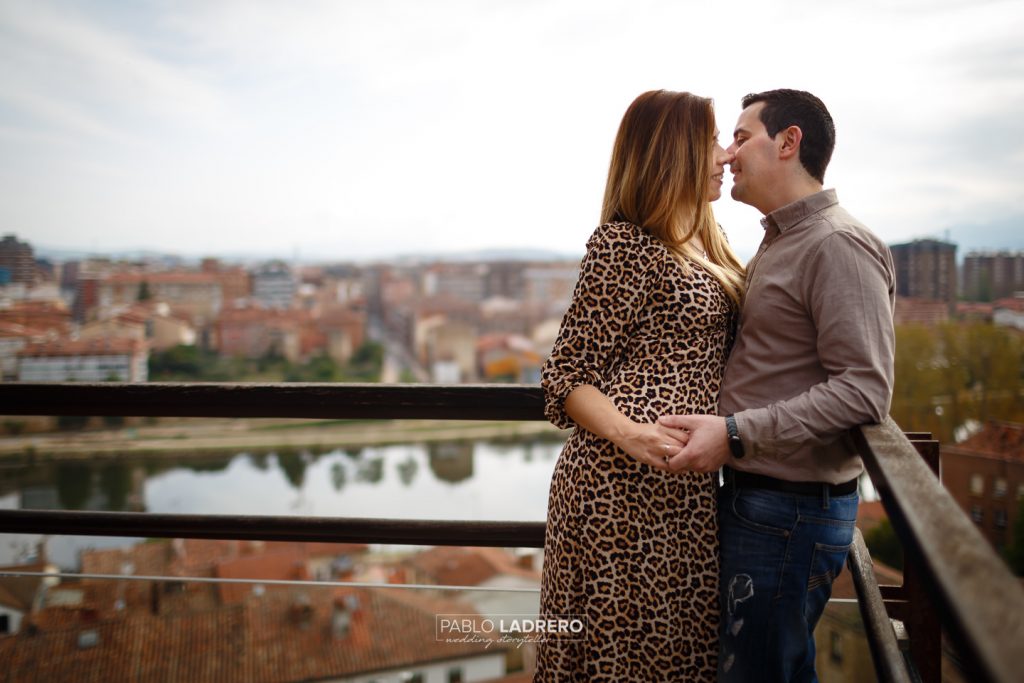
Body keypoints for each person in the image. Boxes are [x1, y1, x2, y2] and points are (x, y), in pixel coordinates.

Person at [660, 89, 896, 682]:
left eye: (741, 138)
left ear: (789, 142)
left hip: (788, 513)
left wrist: (736, 433)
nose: (728, 153)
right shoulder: (783, 238)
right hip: (763, 503)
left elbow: (864, 390)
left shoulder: (836, 243)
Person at [535, 90, 745, 682]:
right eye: (709, 142)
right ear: (673, 152)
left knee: (678, 653)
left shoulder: (711, 239)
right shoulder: (625, 246)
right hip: (617, 492)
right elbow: (563, 379)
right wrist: (634, 437)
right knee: (621, 657)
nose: (725, 155)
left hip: (683, 492)